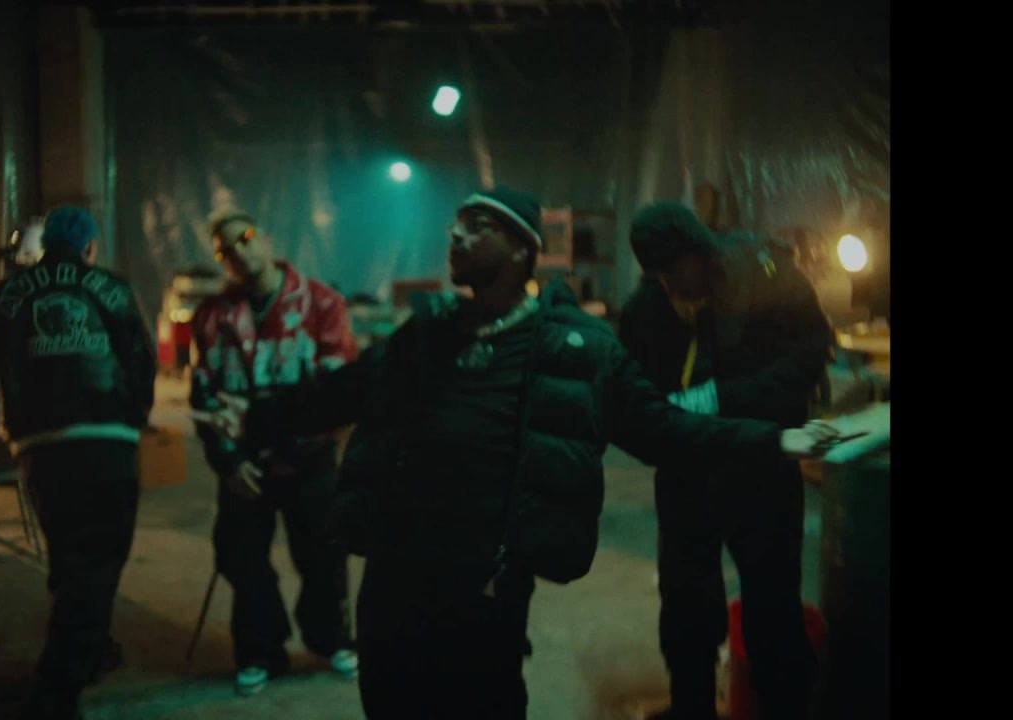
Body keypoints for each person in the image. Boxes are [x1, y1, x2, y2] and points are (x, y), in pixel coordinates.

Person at [194, 188, 838, 720]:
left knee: (486, 702)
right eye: (456, 223)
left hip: (487, 585)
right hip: (395, 577)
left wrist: (778, 439)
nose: (456, 234)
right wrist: (254, 416)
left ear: (521, 248)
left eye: (478, 225)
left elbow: (661, 428)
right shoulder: (426, 333)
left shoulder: (574, 348)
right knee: (390, 700)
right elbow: (342, 393)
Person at [0, 206, 156, 720]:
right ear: (89, 248)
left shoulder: (4, 296)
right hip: (107, 440)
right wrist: (133, 417)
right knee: (98, 561)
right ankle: (56, 694)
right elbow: (143, 362)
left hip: (40, 448)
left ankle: (92, 651)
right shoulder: (114, 289)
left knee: (70, 555)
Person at [617, 202, 832, 720]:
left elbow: (809, 356)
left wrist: (721, 398)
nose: (672, 285)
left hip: (762, 469)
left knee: (773, 606)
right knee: (686, 606)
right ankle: (692, 707)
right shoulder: (649, 307)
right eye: (660, 275)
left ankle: (782, 707)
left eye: (677, 269)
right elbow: (634, 397)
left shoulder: (766, 278)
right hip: (689, 475)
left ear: (701, 251)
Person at [189, 209, 360, 696]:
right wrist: (228, 462)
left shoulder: (321, 303)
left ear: (264, 237)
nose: (238, 252)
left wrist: (287, 441)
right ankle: (260, 650)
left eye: (244, 238)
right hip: (243, 464)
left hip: (310, 460)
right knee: (241, 558)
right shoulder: (211, 316)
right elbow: (203, 395)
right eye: (225, 250)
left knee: (324, 555)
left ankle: (330, 639)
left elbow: (339, 391)